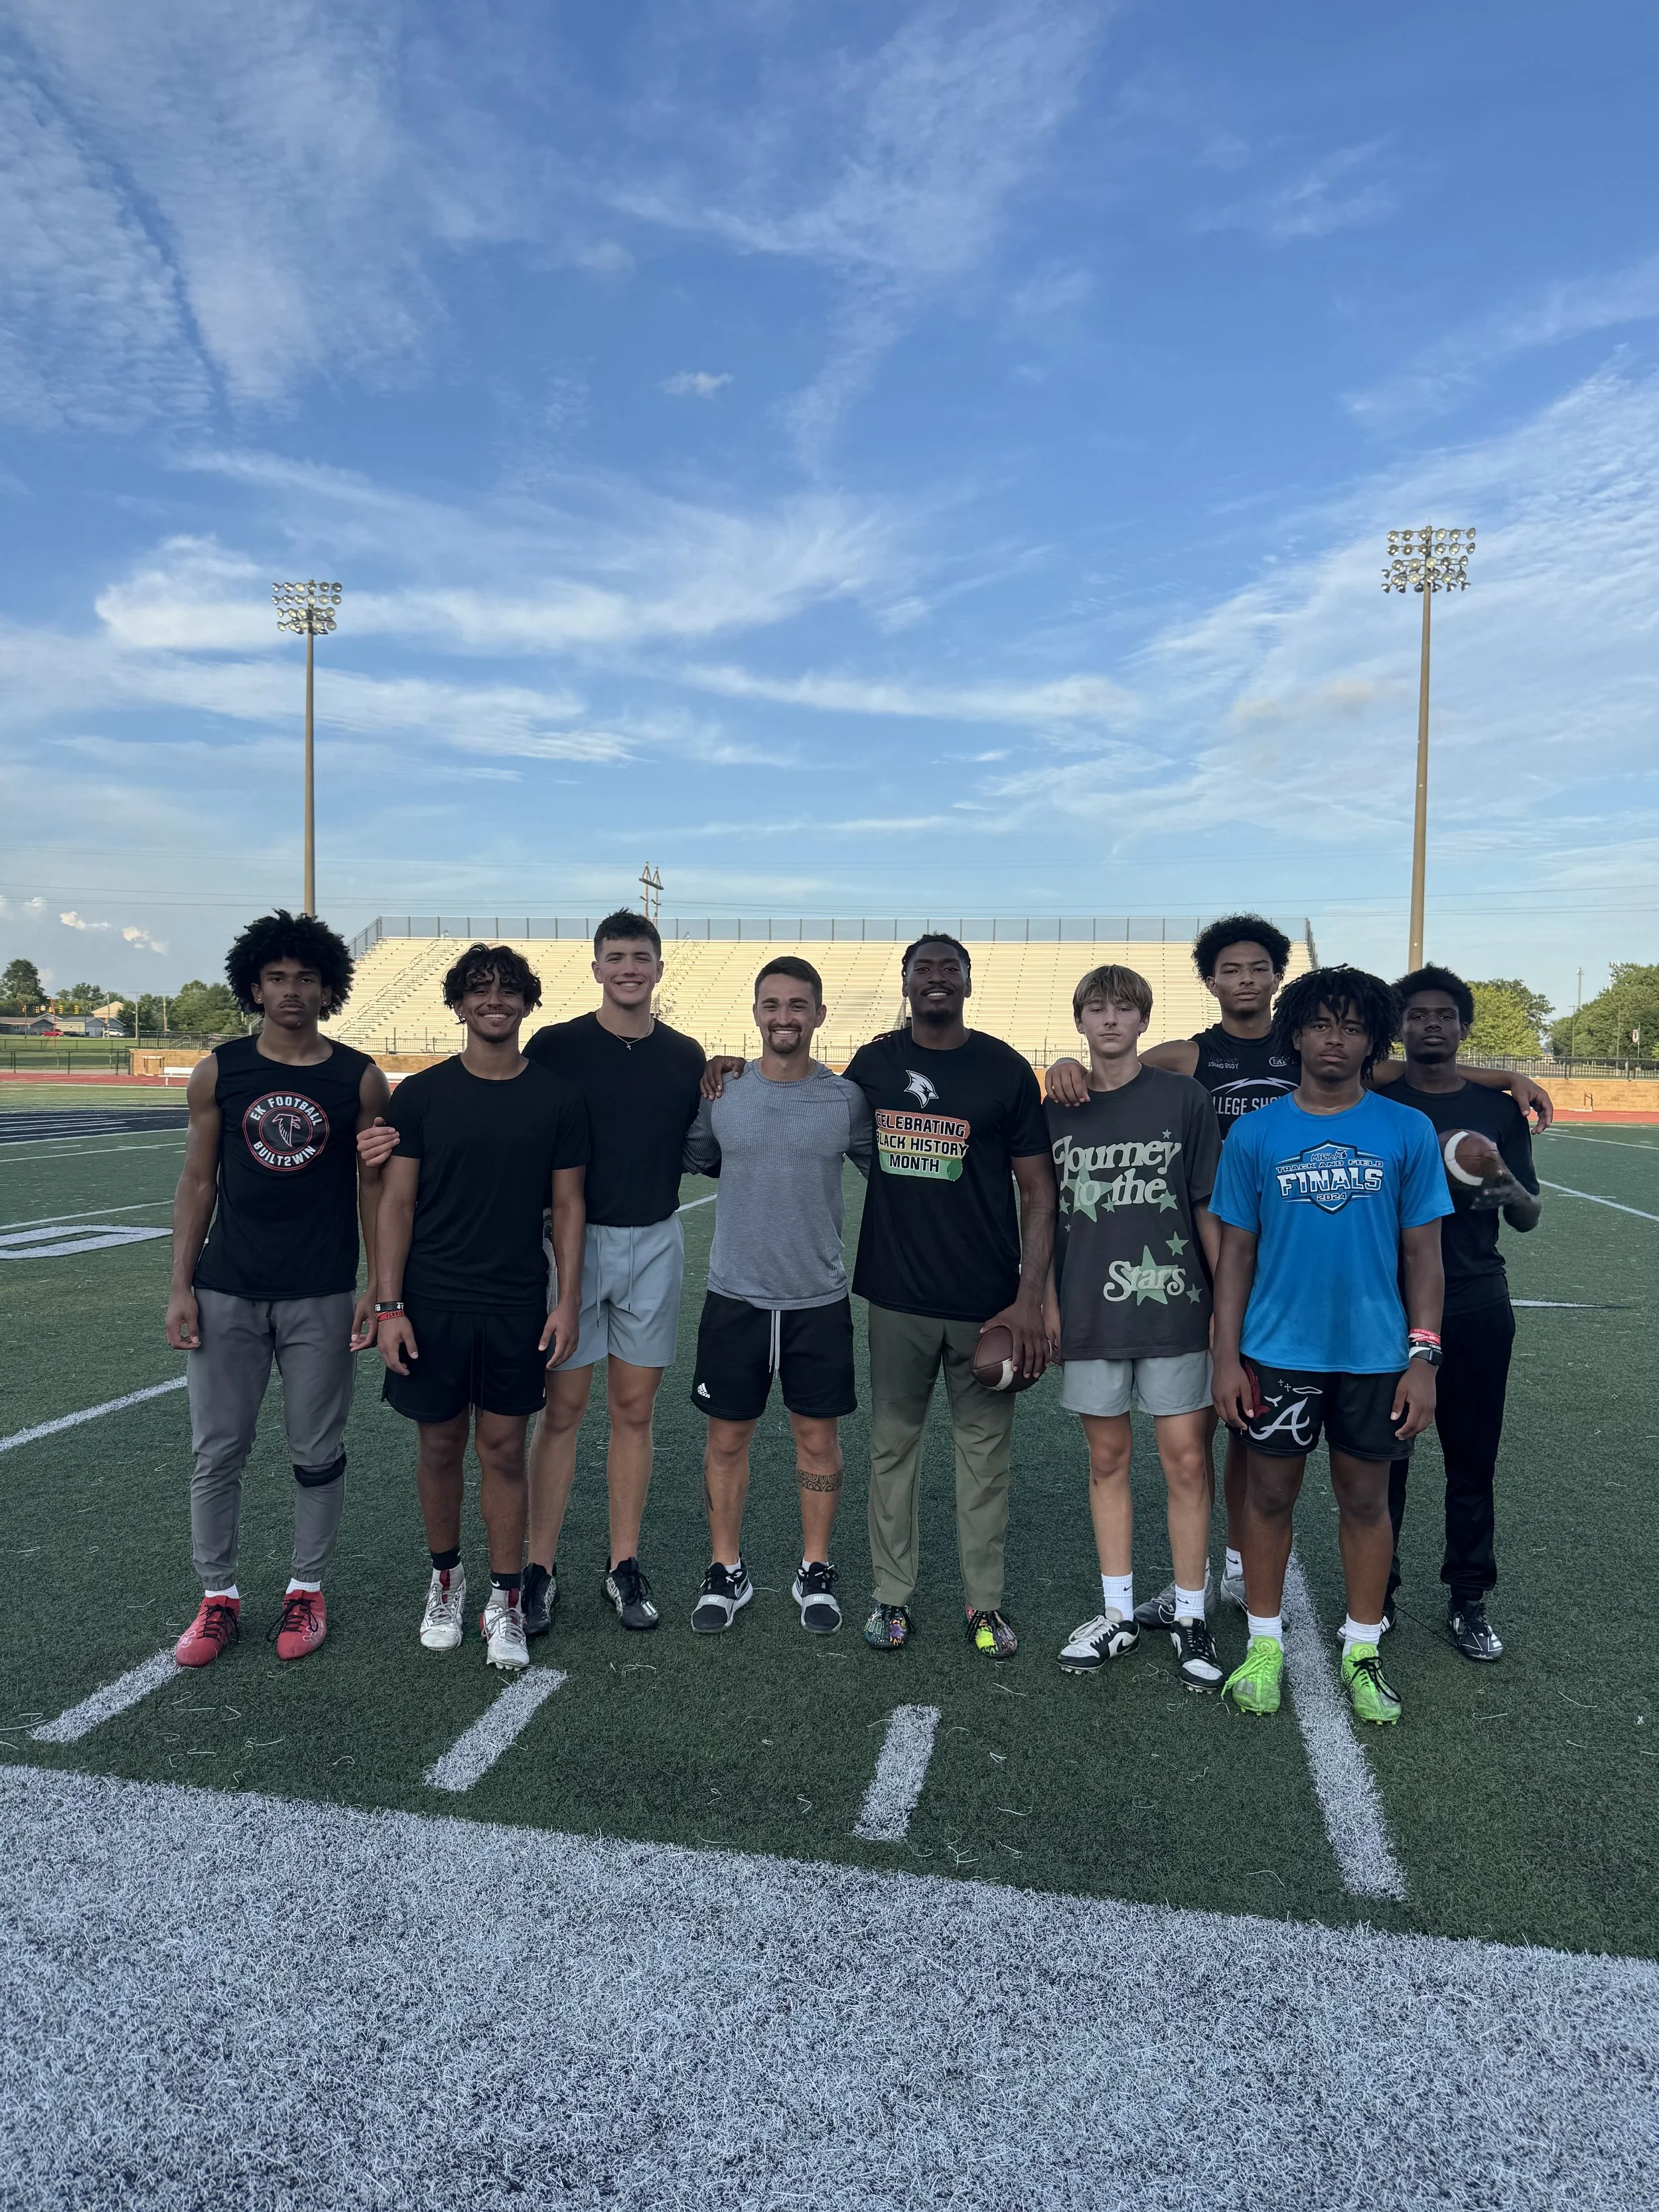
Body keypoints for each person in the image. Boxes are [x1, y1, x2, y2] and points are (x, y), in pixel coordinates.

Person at [1045, 916, 1556, 1630]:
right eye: (1230, 969)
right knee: (1239, 1440)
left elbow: (1403, 1067)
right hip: (1236, 1262)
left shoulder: (1325, 1055)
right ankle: (1238, 1571)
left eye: (1258, 967)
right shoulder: (1193, 1057)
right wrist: (1063, 1067)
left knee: (1377, 1463)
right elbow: (1112, 1065)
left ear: (1277, 979)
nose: (1245, 979)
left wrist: (1502, 1078)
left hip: (1357, 1277)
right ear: (1211, 981)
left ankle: (1364, 1594)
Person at [358, 909, 705, 1637]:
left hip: (652, 1239)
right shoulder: (556, 1046)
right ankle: (536, 1572)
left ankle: (623, 1563)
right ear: (596, 967)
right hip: (561, 1249)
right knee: (563, 1413)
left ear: (659, 968)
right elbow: (493, 1115)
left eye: (640, 957)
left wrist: (730, 1071)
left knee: (635, 1412)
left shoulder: (686, 1054)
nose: (628, 969)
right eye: (615, 956)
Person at [1209, 966, 1451, 1727]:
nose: (1334, 1040)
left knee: (1365, 1500)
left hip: (1378, 1357)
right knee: (1268, 1495)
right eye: (1319, 1025)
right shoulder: (1255, 1133)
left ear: (1372, 1039)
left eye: (1350, 1027)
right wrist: (1224, 1356)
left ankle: (1360, 1649)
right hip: (1278, 1352)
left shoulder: (1405, 1130)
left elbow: (1423, 1257)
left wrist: (1423, 1357)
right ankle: (1262, 1645)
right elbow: (1236, 1257)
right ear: (1296, 1035)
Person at [165, 911, 390, 1668]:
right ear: (254, 987)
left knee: (316, 1452)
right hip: (227, 1287)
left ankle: (306, 1588)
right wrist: (180, 1286)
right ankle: (217, 1597)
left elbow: (371, 1185)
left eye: (305, 978)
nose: (291, 991)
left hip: (320, 1292)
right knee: (217, 1451)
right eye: (277, 978)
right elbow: (198, 1181)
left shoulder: (356, 1075)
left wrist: (372, 1285)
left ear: (329, 987)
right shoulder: (220, 1071)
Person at [374, 944, 588, 1671]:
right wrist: (388, 1305)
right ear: (458, 1004)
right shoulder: (422, 1095)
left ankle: (505, 1601)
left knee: (501, 1448)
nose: (492, 1001)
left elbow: (567, 1206)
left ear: (528, 1003)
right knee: (437, 1445)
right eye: (477, 990)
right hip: (430, 1300)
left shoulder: (557, 1097)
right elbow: (396, 1203)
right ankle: (446, 1580)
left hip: (514, 1300)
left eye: (506, 990)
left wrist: (568, 1301)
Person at [842, 935, 1055, 1658]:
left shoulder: (1001, 1068)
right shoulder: (873, 1062)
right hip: (895, 1295)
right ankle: (890, 1599)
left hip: (986, 1304)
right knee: (891, 1449)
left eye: (949, 969)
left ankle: (984, 1605)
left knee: (984, 1458)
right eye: (922, 968)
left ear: (968, 982)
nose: (936, 978)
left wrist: (1029, 1300)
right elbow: (805, 1090)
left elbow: (1038, 1190)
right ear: (903, 982)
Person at [1044, 966, 1226, 1689]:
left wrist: (1224, 1311)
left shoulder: (1182, 1098)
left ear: (1144, 1021)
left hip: (1178, 1309)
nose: (1110, 1021)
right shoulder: (1056, 1106)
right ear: (1080, 1021)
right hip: (1091, 1309)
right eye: (1097, 1009)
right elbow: (1035, 1215)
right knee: (1106, 1460)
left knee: (1185, 1460)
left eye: (1123, 1009)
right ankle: (1118, 1612)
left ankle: (1189, 1614)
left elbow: (1207, 1207)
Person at [681, 958, 872, 1634]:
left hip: (817, 1299)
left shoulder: (847, 1101)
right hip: (734, 1296)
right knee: (726, 1440)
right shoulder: (723, 1091)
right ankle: (725, 1568)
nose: (783, 1016)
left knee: (817, 1440)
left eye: (797, 1005)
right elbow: (690, 1156)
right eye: (771, 1004)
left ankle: (814, 1568)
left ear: (819, 1015)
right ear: (756, 1012)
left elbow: (896, 1173)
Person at [1384, 966, 1541, 1660]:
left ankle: (1468, 1599)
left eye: (1444, 1015)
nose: (1431, 1026)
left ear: (1463, 1027)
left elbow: (1529, 1215)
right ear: (1400, 1027)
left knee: (1470, 1461)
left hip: (1477, 1299)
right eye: (1416, 1015)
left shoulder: (1499, 1112)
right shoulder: (1375, 1098)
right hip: (1386, 1304)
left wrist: (1498, 1177)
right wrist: (1505, 1075)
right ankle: (1376, 1597)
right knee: (1384, 1460)